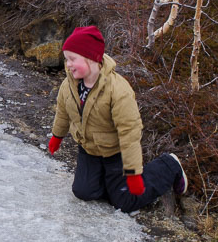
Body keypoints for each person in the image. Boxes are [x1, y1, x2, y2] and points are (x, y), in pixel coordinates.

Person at [48, 25, 187, 215]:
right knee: (83, 192)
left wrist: (133, 172)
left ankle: (169, 165)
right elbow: (63, 112)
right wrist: (57, 136)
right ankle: (111, 183)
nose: (68, 64)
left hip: (115, 153)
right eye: (66, 59)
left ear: (90, 58)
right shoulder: (69, 84)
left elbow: (129, 132)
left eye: (73, 59)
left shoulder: (118, 90)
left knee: (125, 202)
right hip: (89, 149)